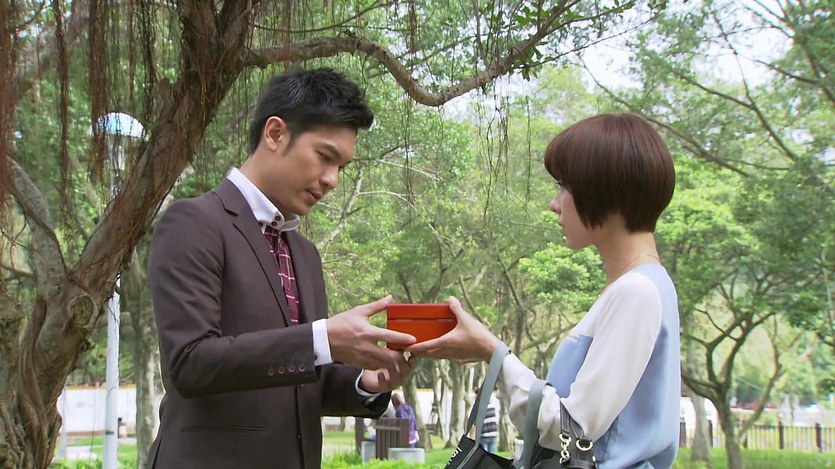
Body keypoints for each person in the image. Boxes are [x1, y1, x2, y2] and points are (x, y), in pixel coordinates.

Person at [147, 67, 417, 469]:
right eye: (325, 157)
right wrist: (322, 339)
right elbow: (190, 362)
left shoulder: (304, 254)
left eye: (341, 167)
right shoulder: (195, 223)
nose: (332, 180)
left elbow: (299, 379)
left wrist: (366, 382)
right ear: (275, 133)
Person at [409, 113, 680, 468]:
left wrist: (494, 353)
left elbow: (572, 430)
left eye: (566, 187)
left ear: (607, 188)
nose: (555, 203)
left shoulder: (637, 291)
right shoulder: (644, 285)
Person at [473, 386, 499, 454]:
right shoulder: (492, 406)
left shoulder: (478, 408)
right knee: (492, 455)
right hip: (493, 434)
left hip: (483, 435)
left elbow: (476, 424)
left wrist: (473, 437)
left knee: (484, 455)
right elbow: (496, 421)